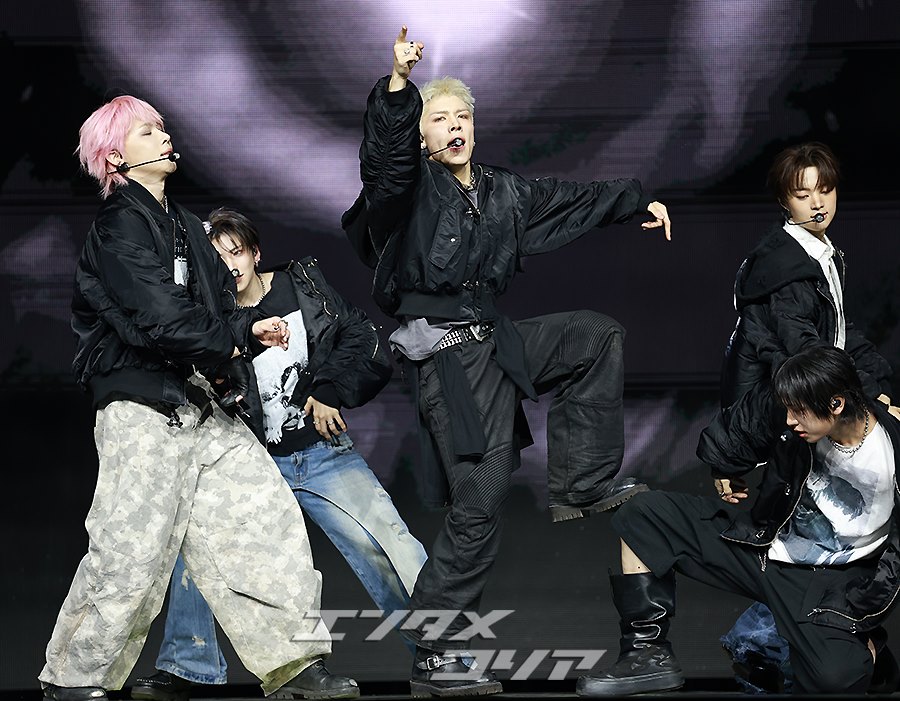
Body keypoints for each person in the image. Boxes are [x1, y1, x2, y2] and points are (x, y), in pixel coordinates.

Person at [341, 26, 672, 696]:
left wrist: (638, 198)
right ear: (423, 138)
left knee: (595, 335)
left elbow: (570, 200)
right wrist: (400, 87)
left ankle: (582, 483)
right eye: (440, 119)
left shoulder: (502, 192)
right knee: (479, 506)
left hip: (496, 342)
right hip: (451, 367)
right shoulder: (408, 191)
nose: (454, 126)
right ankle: (435, 650)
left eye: (462, 116)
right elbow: (385, 162)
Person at [40, 96, 359, 701]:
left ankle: (295, 665)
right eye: (146, 131)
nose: (164, 136)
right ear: (116, 157)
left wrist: (249, 329)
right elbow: (160, 319)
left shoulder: (186, 227)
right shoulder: (117, 228)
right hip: (142, 406)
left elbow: (215, 312)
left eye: (162, 127)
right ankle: (75, 676)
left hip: (202, 404)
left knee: (265, 520)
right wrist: (234, 338)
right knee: (130, 551)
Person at [130, 208, 429, 701]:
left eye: (237, 252)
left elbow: (359, 336)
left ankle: (442, 654)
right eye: (217, 258)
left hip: (321, 453)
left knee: (391, 545)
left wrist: (330, 389)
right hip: (246, 463)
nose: (230, 265)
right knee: (199, 552)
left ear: (255, 253)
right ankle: (187, 665)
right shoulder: (208, 315)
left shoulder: (301, 286)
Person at [577, 345, 900, 696]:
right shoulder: (797, 421)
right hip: (764, 547)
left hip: (831, 581)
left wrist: (864, 611)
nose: (790, 420)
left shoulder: (891, 447)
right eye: (788, 409)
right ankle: (646, 655)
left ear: (836, 404)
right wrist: (724, 464)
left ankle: (867, 648)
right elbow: (748, 416)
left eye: (799, 411)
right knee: (643, 514)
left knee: (835, 681)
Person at [694, 141, 895, 691]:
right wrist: (732, 455)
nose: (818, 202)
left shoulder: (817, 252)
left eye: (825, 189)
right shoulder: (785, 267)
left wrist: (877, 390)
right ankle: (770, 649)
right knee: (799, 531)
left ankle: (803, 647)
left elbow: (840, 335)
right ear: (784, 201)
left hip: (805, 404)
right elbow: (804, 351)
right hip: (786, 412)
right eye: (803, 194)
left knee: (814, 531)